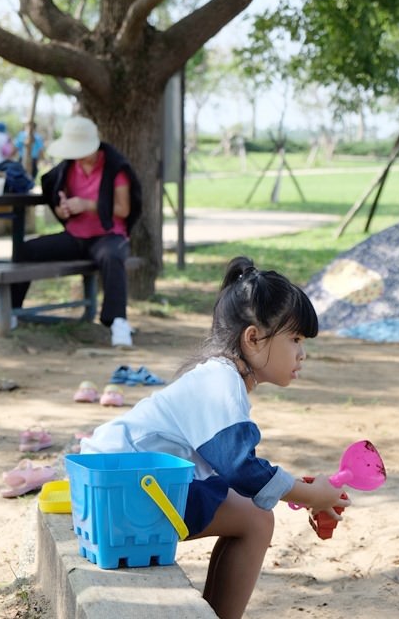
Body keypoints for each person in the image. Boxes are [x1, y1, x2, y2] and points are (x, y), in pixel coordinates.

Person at [81, 256, 351, 619]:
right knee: (256, 520)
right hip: (124, 496)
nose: (302, 354)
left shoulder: (219, 377)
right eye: (296, 339)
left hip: (114, 487)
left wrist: (296, 491)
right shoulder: (221, 382)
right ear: (253, 338)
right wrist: (312, 494)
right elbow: (241, 469)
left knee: (247, 507)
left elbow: (235, 473)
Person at [11, 115, 142, 348]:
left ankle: (118, 321)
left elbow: (123, 209)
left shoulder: (115, 168)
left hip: (108, 235)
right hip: (76, 235)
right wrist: (64, 210)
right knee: (26, 250)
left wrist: (87, 204)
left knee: (112, 257)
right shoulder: (67, 168)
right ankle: (11, 311)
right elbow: (61, 205)